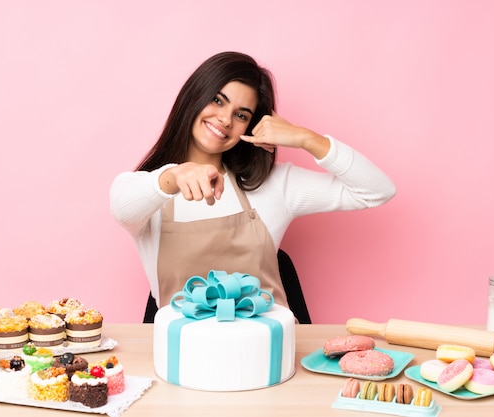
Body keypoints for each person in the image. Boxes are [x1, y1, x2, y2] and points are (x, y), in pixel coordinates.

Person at [109, 51, 396, 314]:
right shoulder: (152, 192)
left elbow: (377, 191)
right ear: (193, 98)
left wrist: (306, 138)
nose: (224, 119)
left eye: (241, 115)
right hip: (183, 362)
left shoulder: (274, 186)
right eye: (217, 100)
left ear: (251, 126)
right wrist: (173, 177)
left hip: (269, 361)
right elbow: (122, 205)